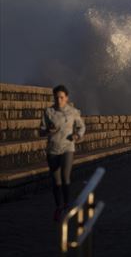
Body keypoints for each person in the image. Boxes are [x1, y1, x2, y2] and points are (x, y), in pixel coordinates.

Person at [39, 84, 86, 222]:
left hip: (68, 147)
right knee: (56, 181)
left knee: (65, 178)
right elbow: (40, 131)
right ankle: (58, 207)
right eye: (56, 97)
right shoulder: (48, 112)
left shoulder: (73, 111)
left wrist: (77, 135)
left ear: (66, 98)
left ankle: (67, 205)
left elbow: (81, 126)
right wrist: (48, 131)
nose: (59, 100)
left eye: (61, 97)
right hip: (53, 149)